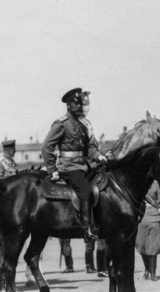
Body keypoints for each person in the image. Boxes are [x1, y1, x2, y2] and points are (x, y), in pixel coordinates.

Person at [41, 88, 107, 242]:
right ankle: (87, 229)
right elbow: (46, 147)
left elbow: (89, 148)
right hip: (69, 168)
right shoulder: (61, 124)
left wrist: (99, 156)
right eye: (75, 104)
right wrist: (52, 170)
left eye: (79, 103)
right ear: (68, 106)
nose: (79, 106)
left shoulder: (83, 125)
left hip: (84, 167)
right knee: (85, 190)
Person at [136, 180, 160, 281]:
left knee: (153, 246)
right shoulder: (137, 182)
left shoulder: (156, 185)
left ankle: (153, 273)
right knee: (141, 245)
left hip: (154, 217)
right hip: (140, 218)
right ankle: (147, 269)